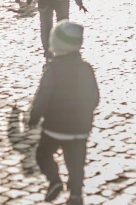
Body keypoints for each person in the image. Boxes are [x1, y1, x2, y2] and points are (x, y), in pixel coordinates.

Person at [29, 21, 99, 205]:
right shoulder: (86, 68)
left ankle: (54, 181)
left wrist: (34, 116)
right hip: (81, 127)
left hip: (55, 126)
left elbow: (43, 96)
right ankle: (76, 194)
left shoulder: (53, 68)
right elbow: (94, 97)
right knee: (76, 162)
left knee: (43, 154)